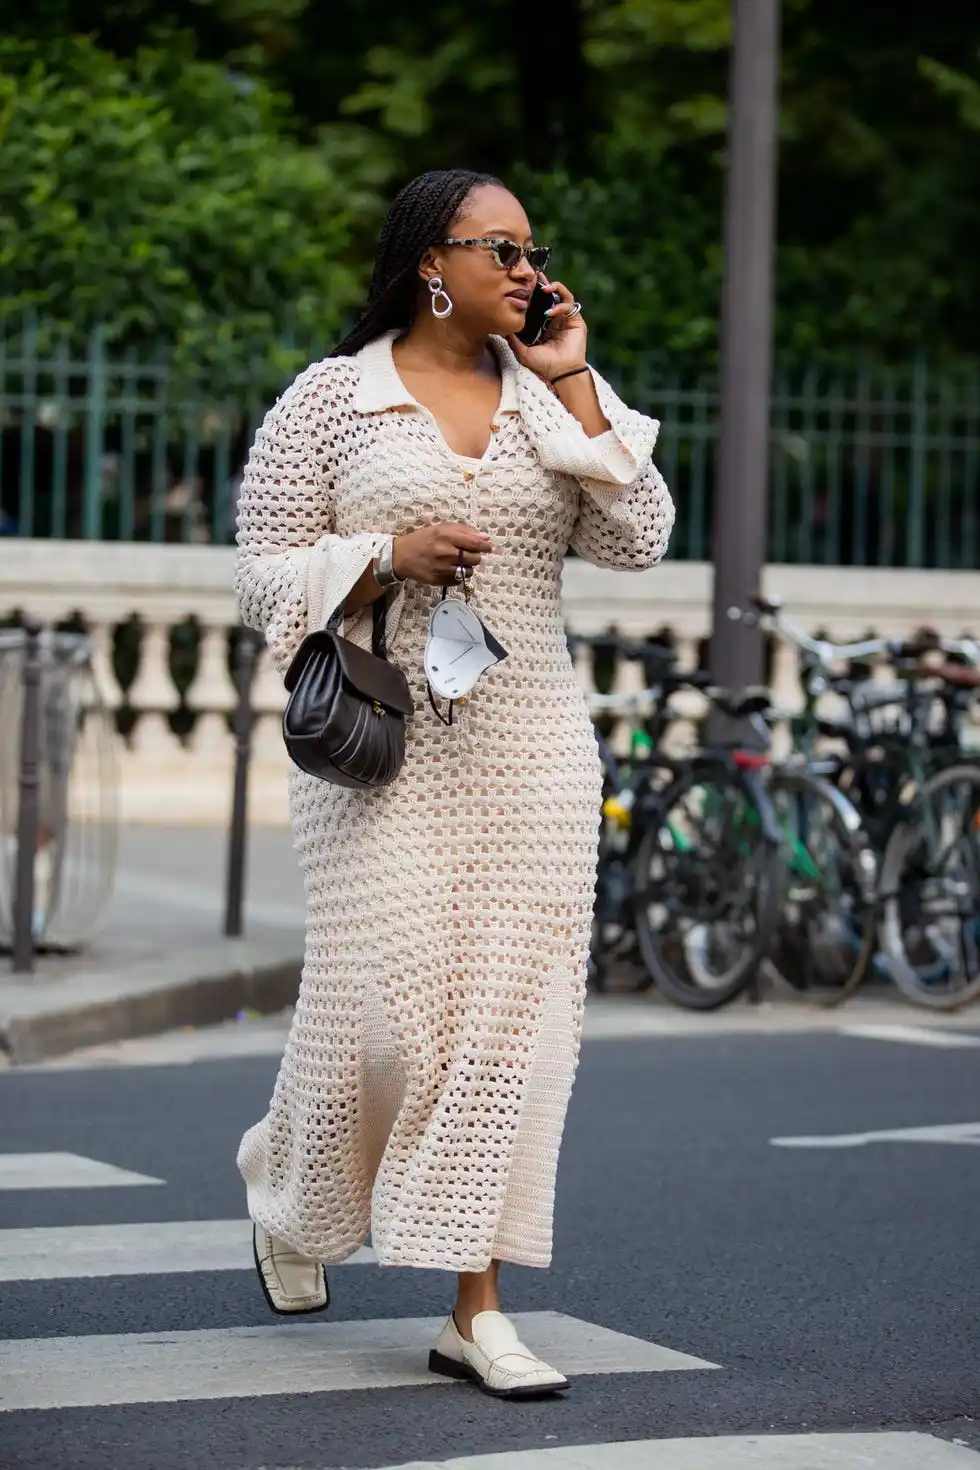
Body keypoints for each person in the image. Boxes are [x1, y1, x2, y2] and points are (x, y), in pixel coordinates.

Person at [234, 168, 674, 1399]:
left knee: (503, 1031)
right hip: (379, 748)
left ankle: (472, 1307)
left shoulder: (544, 399)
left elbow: (637, 538)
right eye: (503, 250)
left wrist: (573, 377)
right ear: (433, 260)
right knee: (383, 1010)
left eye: (536, 253)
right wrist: (382, 559)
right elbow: (260, 580)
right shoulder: (332, 401)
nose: (530, 272)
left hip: (527, 744)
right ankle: (286, 1177)